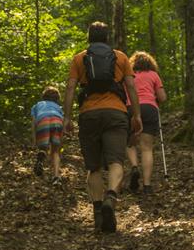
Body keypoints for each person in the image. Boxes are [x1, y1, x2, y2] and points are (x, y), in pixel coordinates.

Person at [63, 21, 141, 233]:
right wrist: (136, 115)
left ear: (89, 37)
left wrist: (67, 117)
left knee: (93, 167)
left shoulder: (79, 58)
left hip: (89, 115)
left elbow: (70, 87)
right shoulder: (121, 57)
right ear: (107, 37)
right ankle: (111, 197)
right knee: (116, 161)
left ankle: (98, 212)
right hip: (116, 114)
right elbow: (131, 86)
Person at [125, 51, 166, 195]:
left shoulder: (129, 76)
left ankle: (135, 166)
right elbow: (162, 97)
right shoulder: (154, 75)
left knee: (130, 143)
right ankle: (147, 185)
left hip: (131, 108)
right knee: (147, 148)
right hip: (149, 108)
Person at [30, 86, 65, 185]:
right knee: (55, 151)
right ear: (57, 98)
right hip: (57, 121)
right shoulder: (58, 107)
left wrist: (34, 138)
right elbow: (61, 121)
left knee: (43, 147)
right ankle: (56, 177)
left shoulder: (37, 105)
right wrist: (61, 141)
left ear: (44, 96)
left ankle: (41, 153)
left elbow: (33, 124)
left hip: (43, 120)